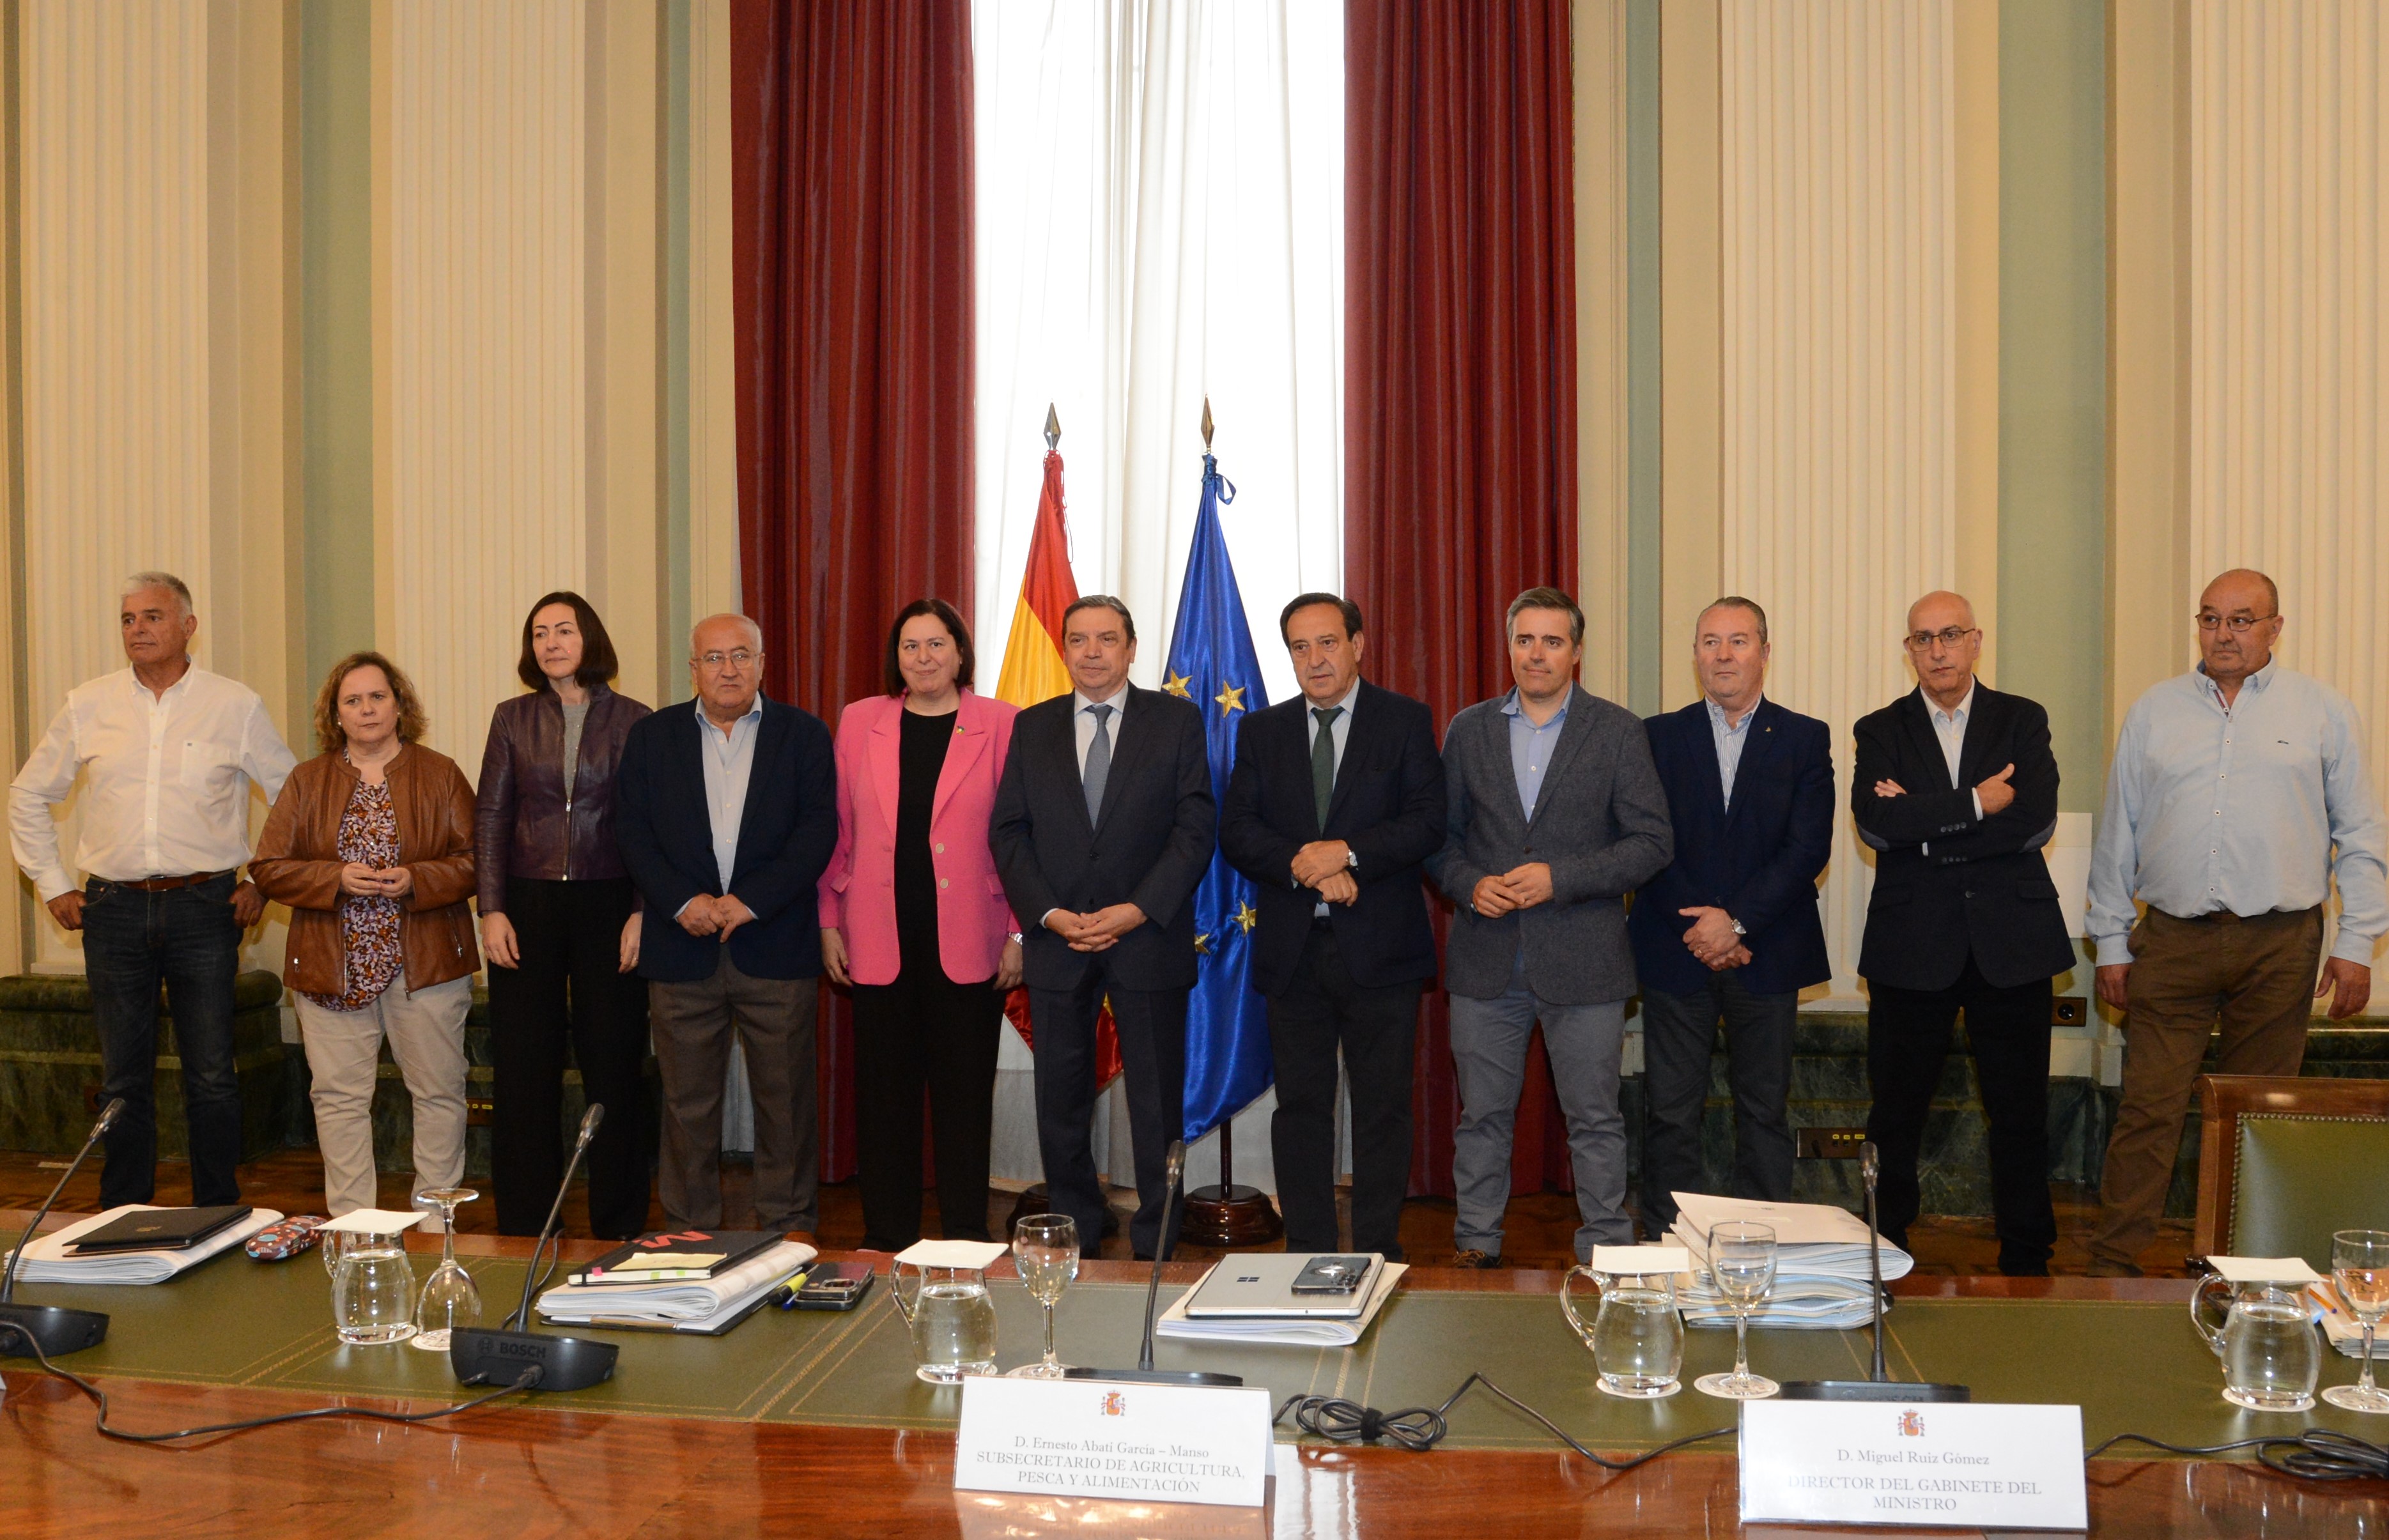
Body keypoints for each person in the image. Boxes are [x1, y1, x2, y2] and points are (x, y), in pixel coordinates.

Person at [2084, 569, 2387, 1276]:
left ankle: (2248, 1269)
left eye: (2242, 620)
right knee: (2148, 1107)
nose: (2224, 634)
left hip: (2280, 945)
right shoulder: (2155, 712)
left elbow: (2361, 833)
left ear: (2275, 628)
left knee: (2262, 1113)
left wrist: (2357, 942)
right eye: (2211, 618)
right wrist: (2109, 939)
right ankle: (2114, 1260)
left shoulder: (2323, 711)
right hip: (2172, 939)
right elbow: (2119, 832)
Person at [8, 573, 296, 1209]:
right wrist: (52, 884)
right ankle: (122, 1215)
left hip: (205, 907)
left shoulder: (234, 705)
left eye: (152, 617)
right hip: (111, 910)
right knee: (122, 1080)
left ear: (188, 626)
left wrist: (262, 880)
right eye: (128, 619)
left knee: (212, 1074)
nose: (137, 629)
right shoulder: (88, 704)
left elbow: (293, 798)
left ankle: (217, 1213)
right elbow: (27, 794)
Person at [1428, 587, 1673, 1266]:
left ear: (1577, 652)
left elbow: (1651, 843)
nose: (1537, 654)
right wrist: (1470, 885)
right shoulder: (1468, 729)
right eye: (1525, 640)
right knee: (1482, 1117)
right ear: (1510, 647)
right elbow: (1438, 840)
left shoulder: (1618, 731)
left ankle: (1605, 1247)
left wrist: (1559, 878)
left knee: (1596, 1118)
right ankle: (1477, 1243)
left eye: (1553, 641)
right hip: (1486, 959)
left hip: (1586, 961)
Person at [1851, 591, 2073, 1277]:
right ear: (1909, 650)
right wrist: (1978, 803)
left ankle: (2027, 1252)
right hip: (1911, 945)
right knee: (1896, 1112)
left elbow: (2034, 820)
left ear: (1976, 641)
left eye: (1950, 635)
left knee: (2019, 1111)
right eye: (1923, 638)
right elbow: (1877, 825)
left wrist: (1925, 830)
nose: (1938, 650)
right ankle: (1885, 1244)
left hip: (2012, 943)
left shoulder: (2021, 719)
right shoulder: (1880, 730)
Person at [1219, 592, 1444, 1259]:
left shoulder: (1404, 721)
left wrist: (1347, 854)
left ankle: (1376, 1251)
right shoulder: (1262, 731)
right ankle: (1309, 1249)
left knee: (1382, 1111)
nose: (1315, 659)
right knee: (1301, 1111)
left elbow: (1427, 822)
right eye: (1300, 647)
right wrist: (1310, 866)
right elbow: (1238, 831)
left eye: (1327, 643)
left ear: (1358, 645)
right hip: (1295, 953)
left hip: (1381, 953)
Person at [991, 596, 1214, 1259]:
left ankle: (1157, 1239)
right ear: (1064, 648)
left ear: (1131, 648)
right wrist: (1050, 915)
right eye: (1079, 639)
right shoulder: (1032, 726)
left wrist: (1138, 908)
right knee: (1060, 1100)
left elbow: (1195, 827)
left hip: (1146, 936)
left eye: (1107, 638)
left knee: (1156, 1101)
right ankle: (1077, 1228)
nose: (1092, 651)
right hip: (1059, 940)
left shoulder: (1176, 720)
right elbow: (1009, 832)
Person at [614, 615, 836, 1236]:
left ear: (763, 663)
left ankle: (788, 1232)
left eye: (741, 655)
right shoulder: (652, 737)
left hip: (776, 945)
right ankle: (689, 1233)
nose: (729, 669)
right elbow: (632, 831)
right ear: (694, 670)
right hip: (681, 949)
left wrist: (750, 901)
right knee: (687, 1107)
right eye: (714, 658)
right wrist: (680, 900)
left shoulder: (804, 735)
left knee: (785, 1104)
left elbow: (818, 831)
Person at [819, 599, 1023, 1252]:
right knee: (885, 1101)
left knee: (964, 1100)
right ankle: (887, 1237)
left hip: (971, 939)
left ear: (961, 652)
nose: (925, 657)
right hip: (877, 936)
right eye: (911, 646)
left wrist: (1017, 931)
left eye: (938, 644)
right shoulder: (861, 721)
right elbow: (837, 830)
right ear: (896, 656)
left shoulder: (1003, 722)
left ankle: (965, 1236)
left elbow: (1022, 838)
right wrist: (828, 920)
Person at [1628, 597, 1833, 1236]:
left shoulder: (1804, 737)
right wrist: (1703, 930)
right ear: (1695, 654)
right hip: (1675, 949)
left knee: (1764, 1113)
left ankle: (1761, 1244)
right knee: (1670, 1114)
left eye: (1738, 641)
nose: (1723, 654)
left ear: (1764, 652)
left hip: (1766, 951)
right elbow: (1646, 841)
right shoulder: (1656, 736)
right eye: (1711, 641)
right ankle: (1669, 1241)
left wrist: (1736, 923)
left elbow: (1808, 848)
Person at [251, 653, 477, 1219]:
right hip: (332, 965)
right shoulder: (307, 780)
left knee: (439, 1093)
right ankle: (355, 1229)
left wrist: (418, 878)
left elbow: (479, 860)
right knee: (338, 1100)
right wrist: (333, 878)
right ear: (336, 714)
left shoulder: (441, 773)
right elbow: (269, 867)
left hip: (424, 962)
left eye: (378, 697)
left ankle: (436, 1225)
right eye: (352, 700)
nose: (367, 709)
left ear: (400, 705)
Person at [476, 592, 654, 1239]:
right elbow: (491, 816)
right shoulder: (512, 717)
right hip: (528, 903)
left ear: (590, 639)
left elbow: (650, 824)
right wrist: (491, 908)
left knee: (615, 1065)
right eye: (540, 633)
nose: (551, 642)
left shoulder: (635, 720)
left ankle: (618, 1220)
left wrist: (642, 911)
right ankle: (527, 1222)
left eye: (564, 630)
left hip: (611, 902)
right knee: (525, 1068)